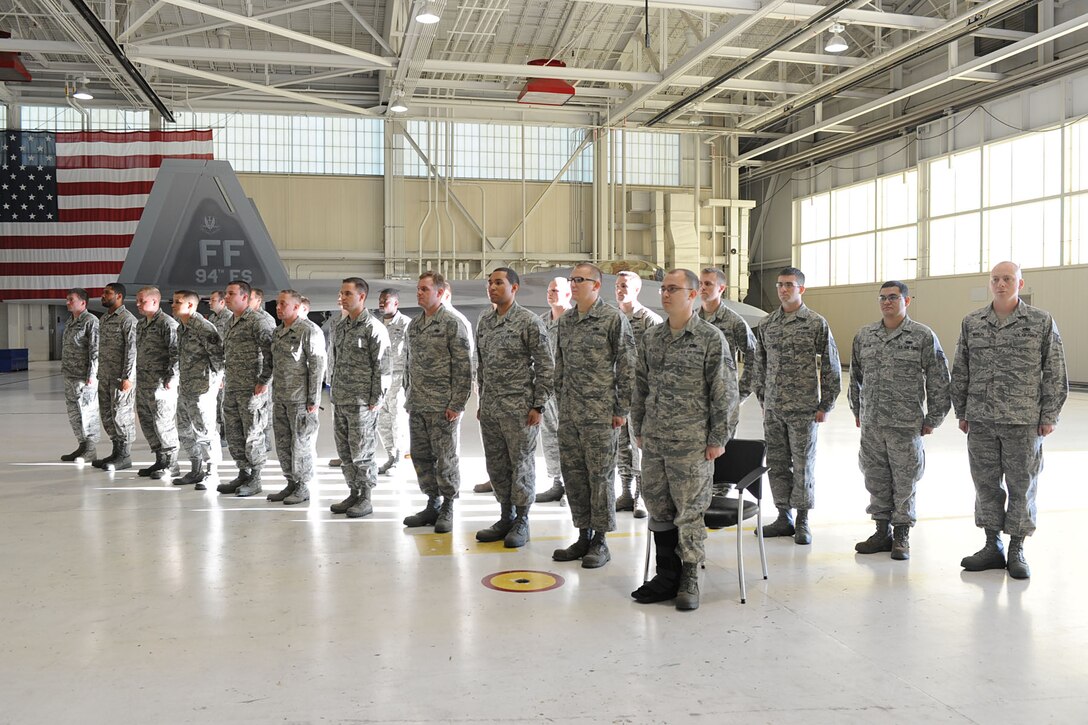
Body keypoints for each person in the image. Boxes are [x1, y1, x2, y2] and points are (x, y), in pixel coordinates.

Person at [951, 261, 1068, 579]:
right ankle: (992, 546)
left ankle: (1016, 548)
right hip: (982, 420)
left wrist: (1049, 414)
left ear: (1020, 282)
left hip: (1023, 420)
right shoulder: (972, 321)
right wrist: (961, 410)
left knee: (1022, 485)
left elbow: (1055, 369)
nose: (1001, 284)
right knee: (986, 484)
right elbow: (961, 368)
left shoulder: (1040, 321)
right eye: (995, 279)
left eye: (1007, 279)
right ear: (990, 283)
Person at [631, 268, 737, 610]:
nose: (665, 294)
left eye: (673, 289)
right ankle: (666, 575)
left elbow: (724, 393)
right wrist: (640, 428)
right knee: (658, 508)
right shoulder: (652, 338)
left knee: (689, 514)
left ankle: (689, 578)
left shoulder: (709, 338)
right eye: (663, 288)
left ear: (692, 295)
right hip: (656, 442)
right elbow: (640, 387)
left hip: (693, 444)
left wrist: (718, 438)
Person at [848, 281, 951, 560]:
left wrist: (934, 418)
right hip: (872, 425)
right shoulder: (865, 335)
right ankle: (882, 532)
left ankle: (902, 534)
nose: (887, 302)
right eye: (882, 298)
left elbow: (939, 379)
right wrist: (857, 410)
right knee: (876, 478)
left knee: (905, 481)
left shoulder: (921, 336)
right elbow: (855, 377)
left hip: (905, 426)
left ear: (907, 300)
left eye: (893, 297)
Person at [552, 263, 635, 569]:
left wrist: (620, 409)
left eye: (580, 280)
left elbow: (628, 365)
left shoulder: (612, 318)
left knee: (599, 477)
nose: (573, 285)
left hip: (601, 415)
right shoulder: (567, 320)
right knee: (574, 476)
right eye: (572, 280)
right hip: (571, 414)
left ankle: (600, 540)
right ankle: (583, 534)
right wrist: (561, 402)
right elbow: (558, 364)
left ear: (596, 286)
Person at [753, 266, 841, 545]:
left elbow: (830, 365)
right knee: (777, 464)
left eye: (789, 285)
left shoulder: (815, 323)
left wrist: (825, 404)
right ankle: (783, 516)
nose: (783, 289)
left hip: (804, 409)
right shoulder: (768, 324)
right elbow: (759, 364)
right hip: (774, 409)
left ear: (801, 289)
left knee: (803, 465)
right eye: (780, 285)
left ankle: (802, 519)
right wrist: (763, 399)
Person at [473, 268, 554, 548]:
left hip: (520, 409)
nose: (492, 287)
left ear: (514, 288)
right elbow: (481, 365)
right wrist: (482, 400)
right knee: (497, 465)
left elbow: (546, 366)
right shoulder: (485, 320)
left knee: (520, 465)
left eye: (499, 283)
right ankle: (505, 516)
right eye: (490, 283)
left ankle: (522, 520)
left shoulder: (528, 321)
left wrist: (538, 405)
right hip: (492, 408)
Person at [402, 271, 472, 533]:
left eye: (425, 289)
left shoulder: (452, 323)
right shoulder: (415, 325)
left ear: (440, 293)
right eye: (418, 289)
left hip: (443, 406)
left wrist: (457, 404)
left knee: (445, 458)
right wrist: (408, 394)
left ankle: (449, 505)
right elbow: (410, 365)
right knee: (421, 456)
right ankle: (432, 502)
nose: (419, 293)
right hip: (418, 403)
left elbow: (464, 367)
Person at [329, 278, 390, 518]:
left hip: (363, 401)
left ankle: (366, 497)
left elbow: (383, 367)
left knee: (362, 451)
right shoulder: (342, 326)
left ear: (361, 297)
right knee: (345, 452)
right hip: (341, 399)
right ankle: (353, 492)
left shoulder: (373, 327)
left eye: (347, 294)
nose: (342, 297)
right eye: (341, 293)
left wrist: (376, 398)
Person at [268, 289, 327, 505]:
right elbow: (271, 363)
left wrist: (314, 399)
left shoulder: (309, 331)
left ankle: (303, 486)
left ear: (296, 306)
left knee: (302, 444)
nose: (278, 308)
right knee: (283, 443)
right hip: (281, 396)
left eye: (283, 304)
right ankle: (291, 482)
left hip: (301, 399)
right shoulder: (278, 332)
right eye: (277, 304)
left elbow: (317, 366)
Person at [218, 280, 275, 497]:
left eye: (231, 293)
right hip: (233, 387)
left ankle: (256, 477)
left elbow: (271, 354)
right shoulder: (231, 321)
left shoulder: (258, 321)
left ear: (244, 297)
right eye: (226, 293)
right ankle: (243, 472)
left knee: (253, 434)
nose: (226, 297)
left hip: (252, 389)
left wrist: (264, 381)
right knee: (234, 433)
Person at [613, 270, 662, 519]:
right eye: (617, 286)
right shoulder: (612, 319)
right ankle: (625, 491)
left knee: (639, 445)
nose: (620, 290)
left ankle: (641, 496)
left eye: (624, 286)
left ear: (636, 289)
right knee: (621, 445)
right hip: (616, 395)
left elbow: (660, 362)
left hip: (641, 396)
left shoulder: (649, 321)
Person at [171, 290, 224, 489]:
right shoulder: (181, 329)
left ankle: (212, 472)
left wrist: (212, 388)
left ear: (191, 305)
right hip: (185, 387)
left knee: (205, 430)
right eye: (174, 301)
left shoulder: (204, 328)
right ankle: (196, 468)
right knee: (184, 429)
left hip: (202, 389)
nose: (173, 305)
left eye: (178, 302)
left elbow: (218, 361)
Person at [133, 287, 181, 479]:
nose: (137, 304)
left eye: (141, 301)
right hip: (144, 382)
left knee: (163, 422)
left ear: (154, 301)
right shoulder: (141, 325)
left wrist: (172, 377)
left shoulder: (167, 324)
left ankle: (172, 463)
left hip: (161, 384)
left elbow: (176, 352)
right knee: (147, 422)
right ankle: (160, 459)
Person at [699, 267, 756, 425]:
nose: (702, 287)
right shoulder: (692, 320)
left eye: (708, 284)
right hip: (695, 403)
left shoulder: (733, 321)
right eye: (700, 283)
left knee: (724, 449)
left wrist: (740, 393)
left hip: (723, 402)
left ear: (721, 288)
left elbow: (755, 356)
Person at [91, 283, 137, 471]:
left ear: (118, 296)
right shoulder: (104, 319)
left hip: (120, 378)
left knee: (121, 415)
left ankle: (125, 455)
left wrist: (128, 376)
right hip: (105, 376)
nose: (103, 296)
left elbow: (132, 350)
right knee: (108, 416)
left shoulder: (128, 319)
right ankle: (116, 451)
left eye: (107, 293)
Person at [534, 276, 572, 504]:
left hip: (568, 390)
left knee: (568, 438)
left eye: (556, 290)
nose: (551, 294)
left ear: (568, 294)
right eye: (549, 290)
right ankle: (557, 482)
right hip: (546, 389)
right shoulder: (541, 321)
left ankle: (571, 485)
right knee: (549, 436)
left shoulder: (574, 321)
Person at [60, 288, 100, 462]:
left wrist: (92, 374)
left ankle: (90, 449)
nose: (67, 302)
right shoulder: (70, 322)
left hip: (84, 377)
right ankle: (82, 445)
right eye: (67, 299)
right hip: (70, 375)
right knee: (74, 413)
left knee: (87, 412)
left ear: (83, 302)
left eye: (71, 299)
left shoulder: (90, 321)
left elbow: (95, 350)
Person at [375, 289, 411, 475]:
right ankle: (390, 456)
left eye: (386, 301)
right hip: (381, 380)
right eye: (380, 300)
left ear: (396, 303)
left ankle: (398, 458)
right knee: (383, 420)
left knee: (398, 420)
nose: (382, 303)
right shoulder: (376, 325)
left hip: (399, 378)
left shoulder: (406, 325)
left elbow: (413, 355)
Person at [207, 290, 232, 439]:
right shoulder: (212, 317)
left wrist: (222, 372)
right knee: (215, 401)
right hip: (213, 365)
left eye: (213, 300)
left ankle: (226, 432)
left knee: (223, 401)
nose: (210, 302)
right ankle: (219, 428)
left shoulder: (229, 318)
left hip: (225, 366)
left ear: (222, 302)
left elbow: (226, 345)